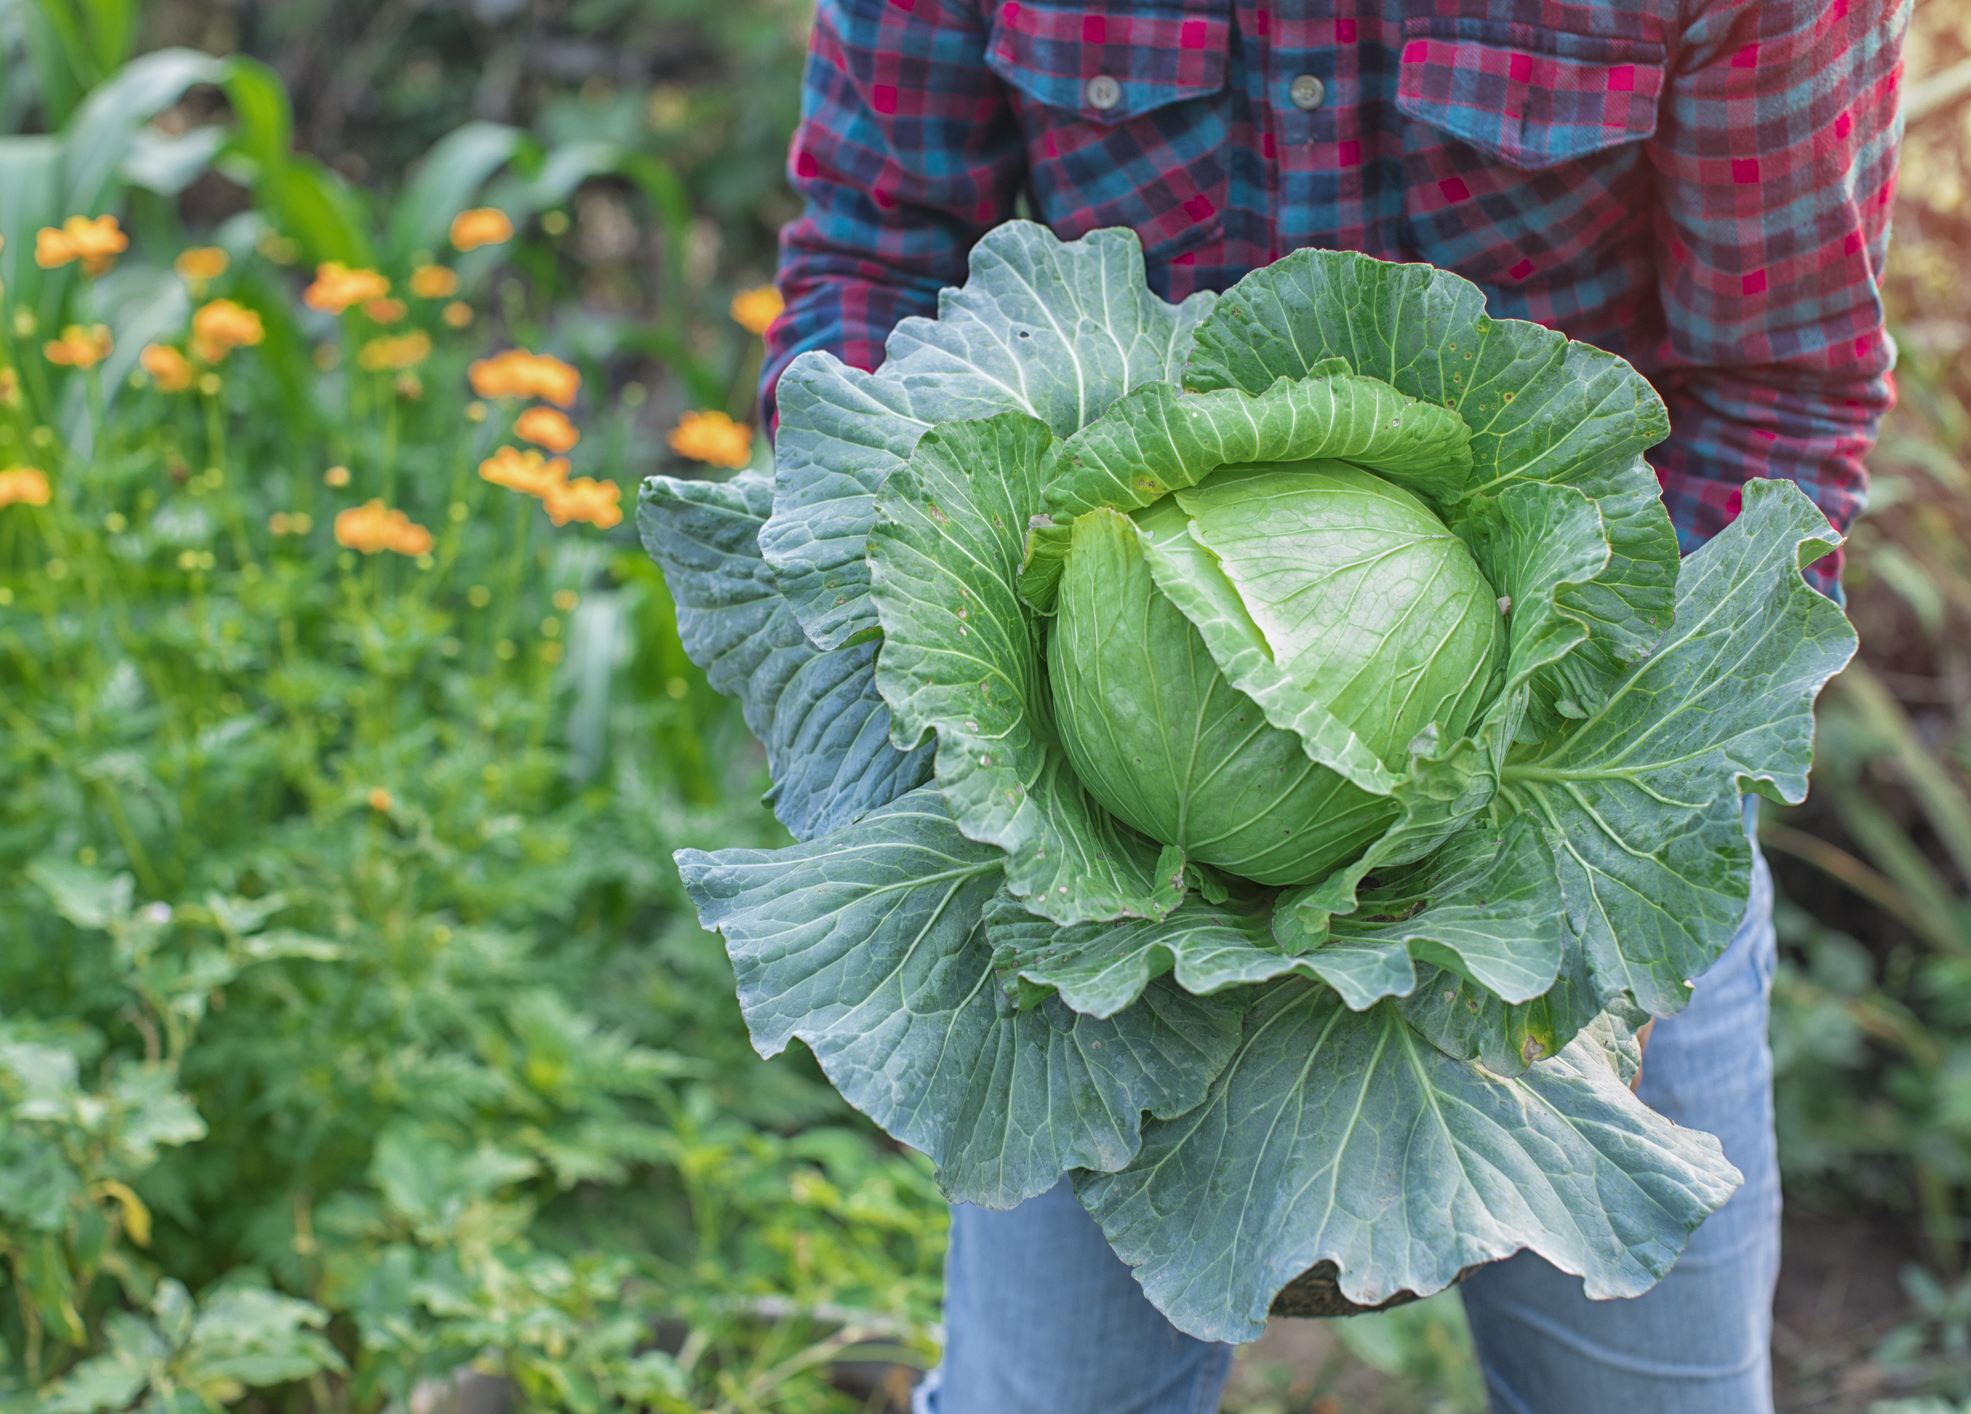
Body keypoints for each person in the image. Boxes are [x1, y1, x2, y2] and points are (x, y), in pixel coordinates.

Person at [756, 3, 1907, 1411]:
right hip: (1085, 853)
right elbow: (876, 256)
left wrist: (1535, 804)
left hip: (1577, 802)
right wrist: (971, 734)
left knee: (1652, 1394)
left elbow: (1779, 390)